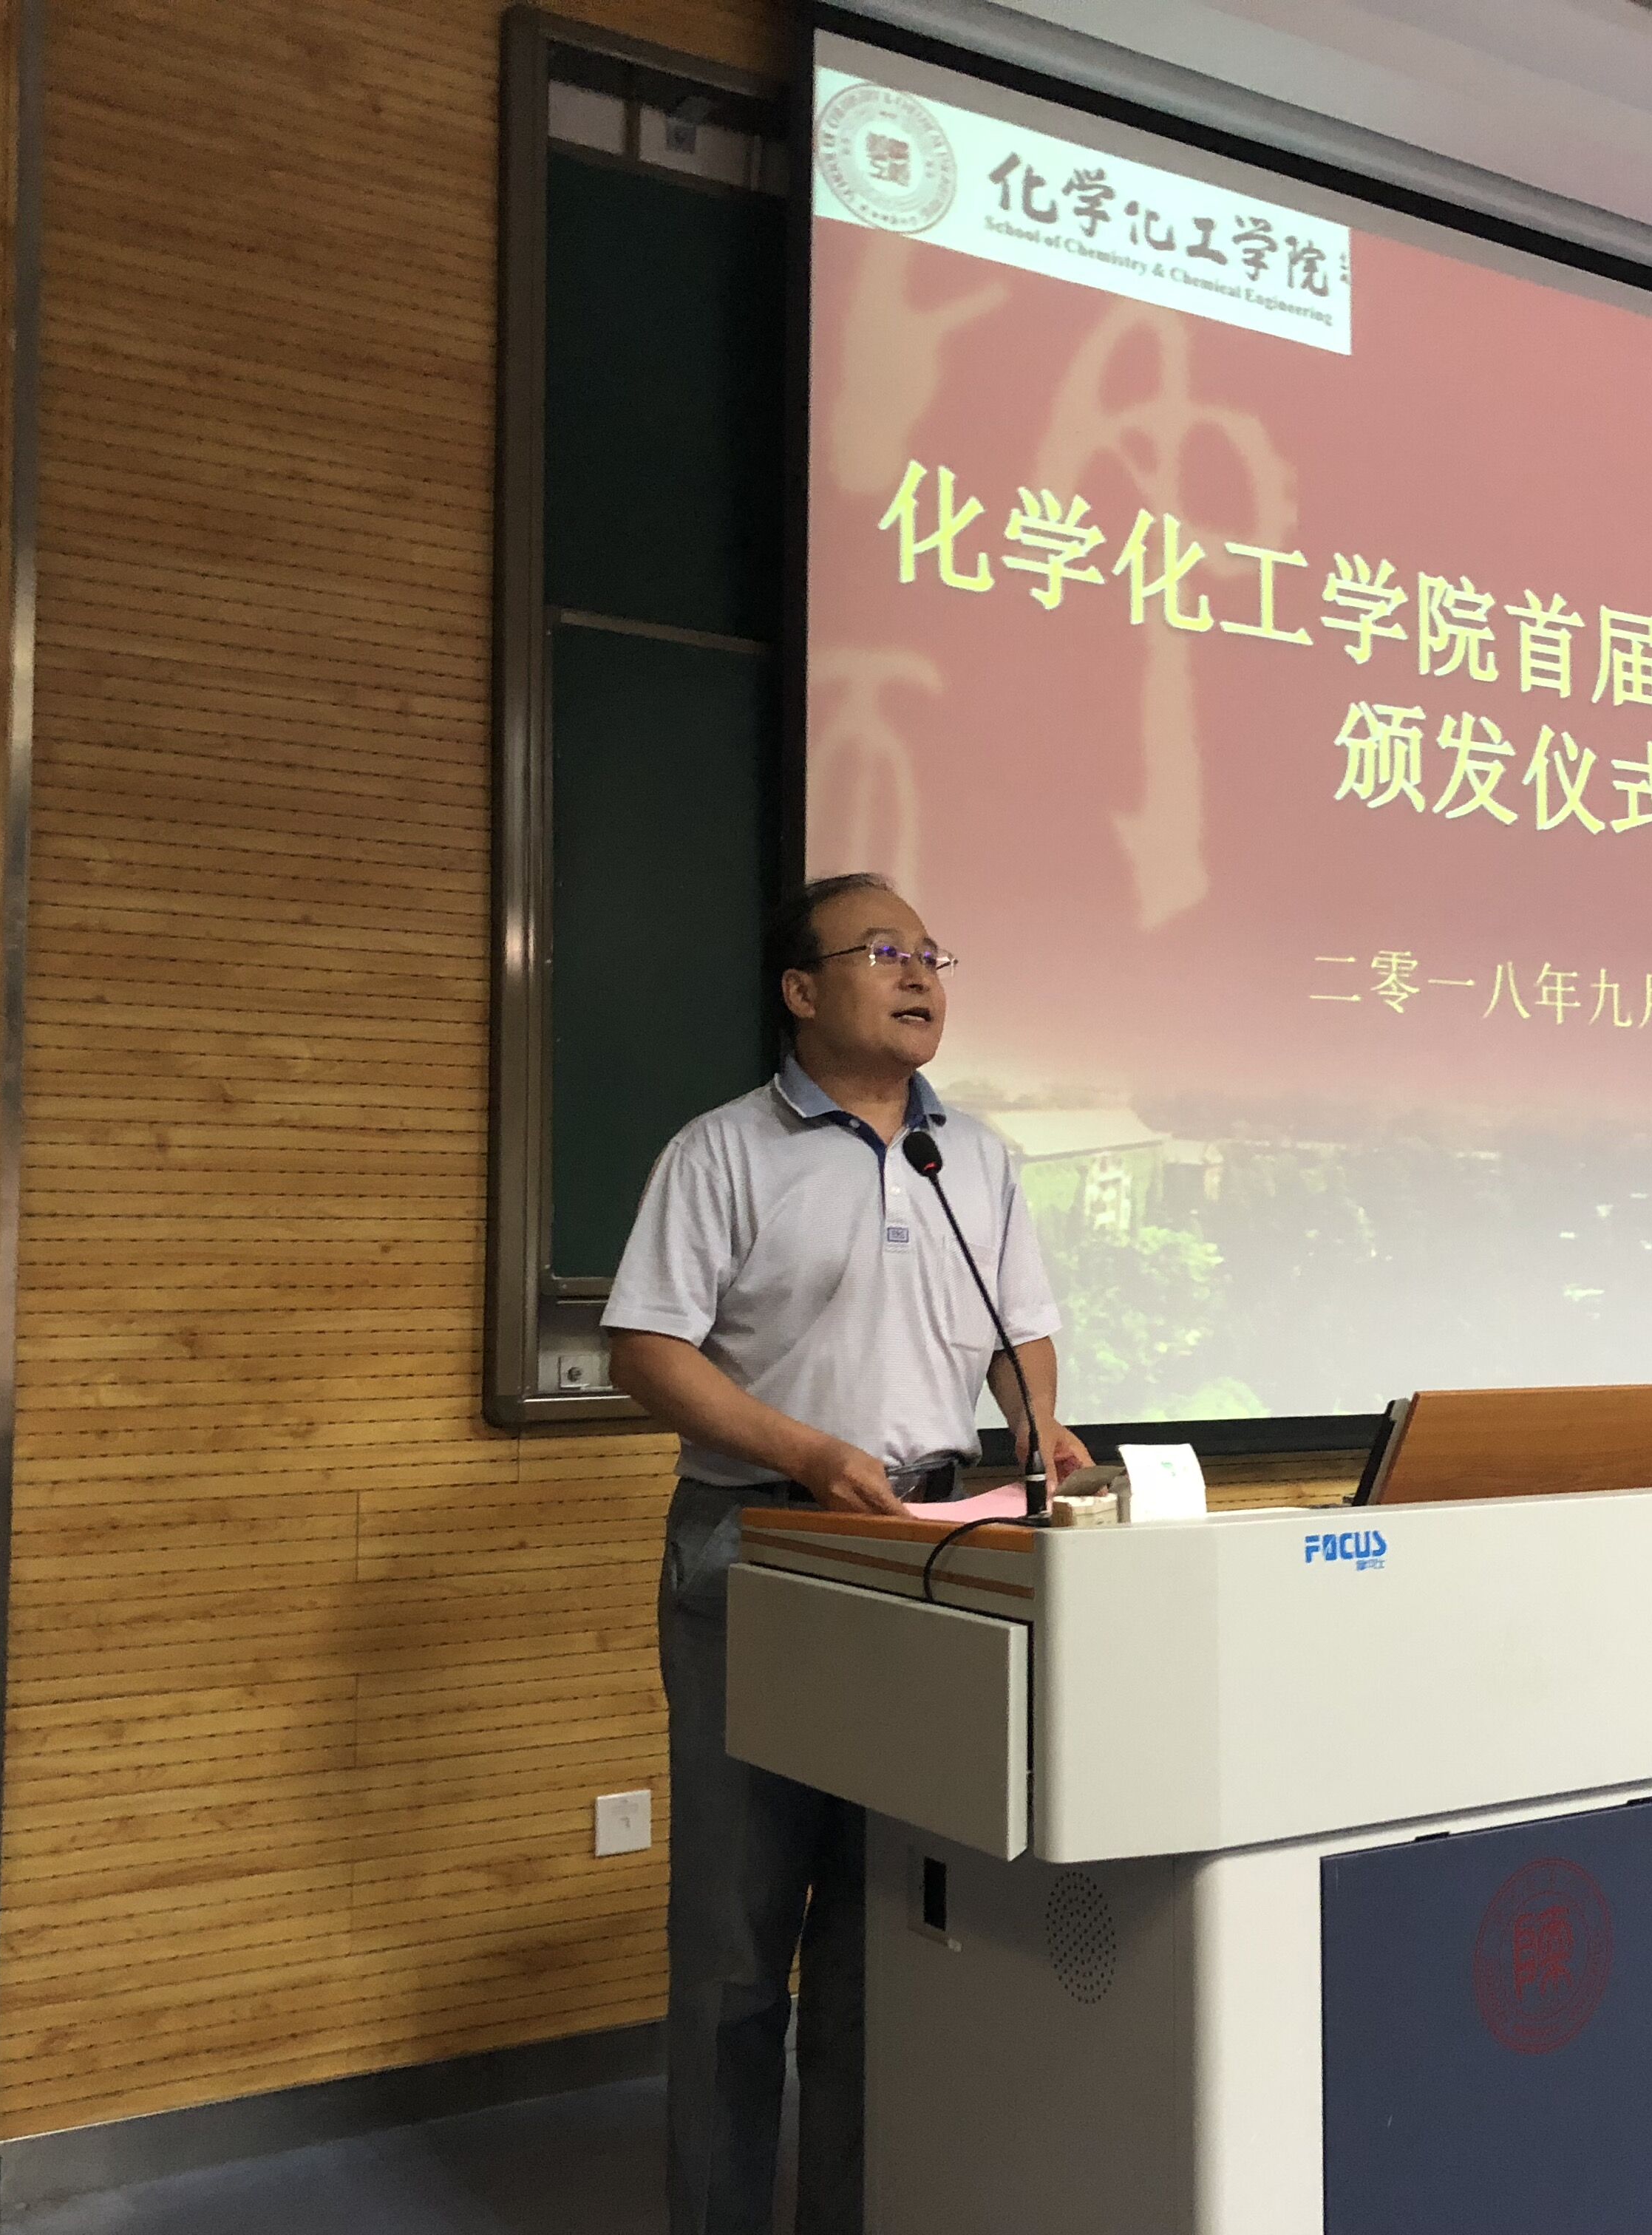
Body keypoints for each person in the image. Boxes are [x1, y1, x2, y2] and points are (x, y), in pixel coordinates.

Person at [604, 871, 1090, 2235]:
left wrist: (1035, 1422)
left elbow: (1020, 1329)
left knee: (883, 1942)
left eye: (932, 951)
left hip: (928, 1558)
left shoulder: (974, 1157)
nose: (920, 972)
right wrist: (809, 1452)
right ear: (802, 990)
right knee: (738, 1937)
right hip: (758, 1545)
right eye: (885, 951)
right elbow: (645, 1348)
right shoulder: (722, 1152)